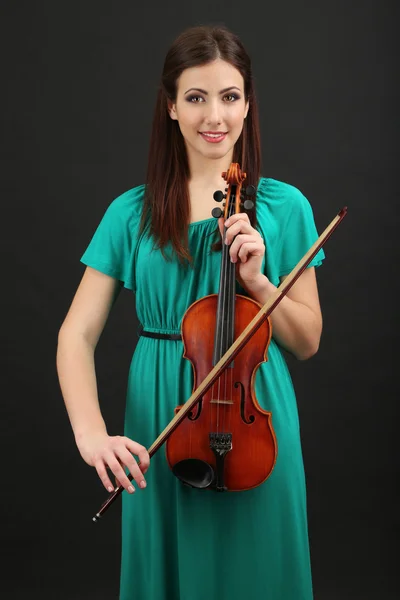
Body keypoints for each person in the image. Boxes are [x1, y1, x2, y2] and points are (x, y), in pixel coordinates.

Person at [56, 24, 325, 600]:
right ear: (171, 107)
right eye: (196, 97)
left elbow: (306, 341)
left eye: (230, 97)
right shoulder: (132, 213)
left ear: (248, 104)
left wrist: (258, 279)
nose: (215, 115)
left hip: (256, 423)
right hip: (163, 417)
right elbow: (75, 334)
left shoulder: (285, 207)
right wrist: (91, 434)